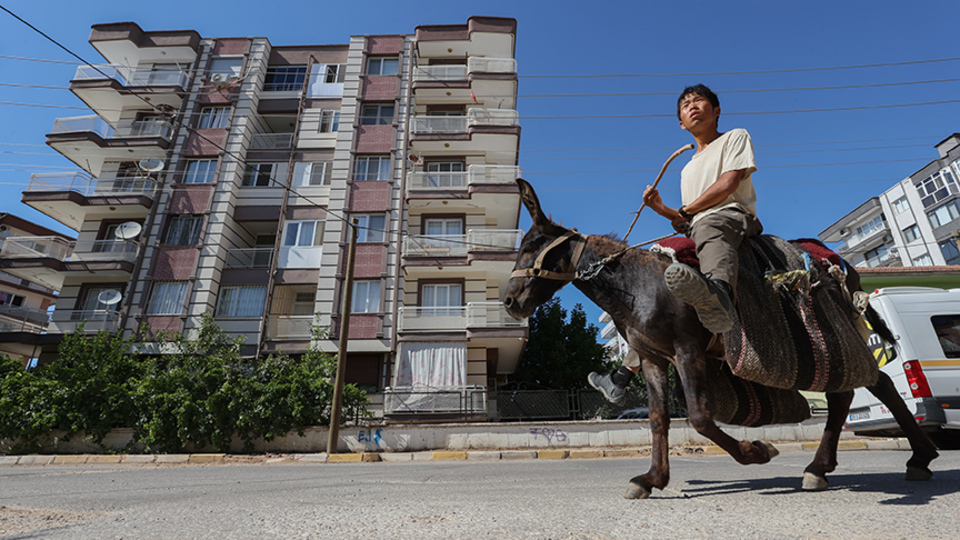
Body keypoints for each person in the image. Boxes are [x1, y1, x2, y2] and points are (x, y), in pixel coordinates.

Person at [589, 83, 763, 404]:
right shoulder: (686, 170)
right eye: (686, 105)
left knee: (709, 222)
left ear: (716, 111)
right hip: (700, 229)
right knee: (656, 270)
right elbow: (684, 221)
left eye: (700, 101)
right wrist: (662, 209)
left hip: (732, 218)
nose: (693, 105)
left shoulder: (734, 137)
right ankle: (624, 373)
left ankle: (720, 297)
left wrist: (685, 212)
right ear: (681, 123)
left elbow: (728, 184)